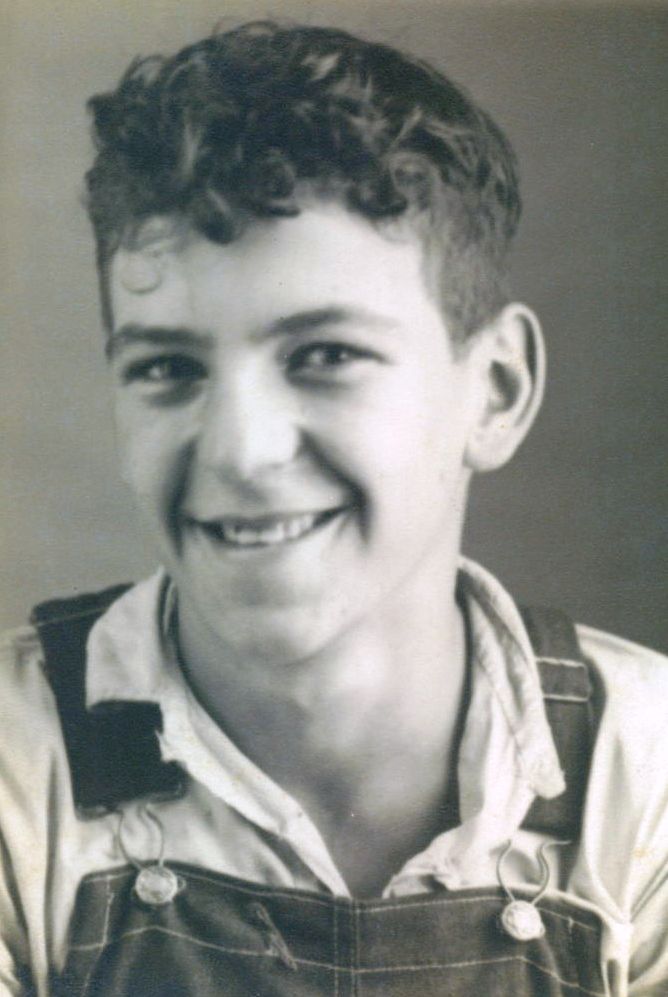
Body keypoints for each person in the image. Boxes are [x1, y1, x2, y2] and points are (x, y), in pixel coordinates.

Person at [0, 19, 666, 997]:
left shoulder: (646, 777)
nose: (237, 448)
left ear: (495, 390)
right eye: (168, 367)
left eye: (326, 355)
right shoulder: (16, 771)